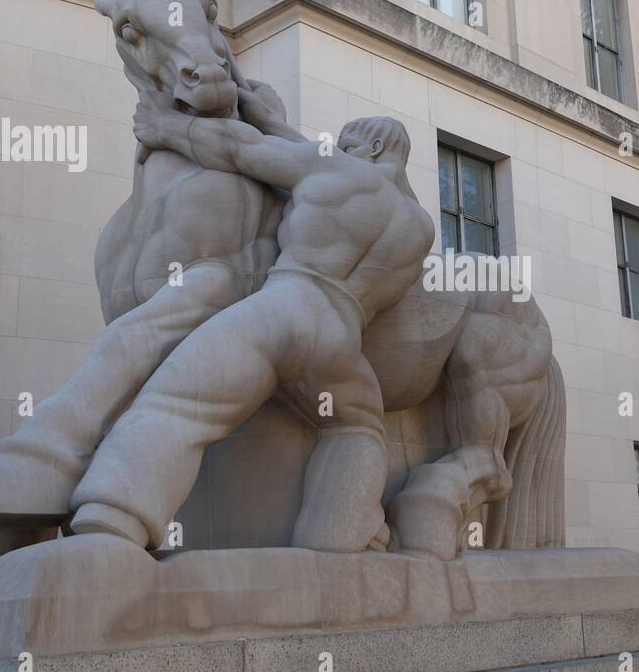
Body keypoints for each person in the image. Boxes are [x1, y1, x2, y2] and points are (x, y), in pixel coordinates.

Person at [66, 100, 435, 554]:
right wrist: (271, 116)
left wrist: (168, 126)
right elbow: (319, 158)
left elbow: (242, 151)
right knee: (358, 428)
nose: (336, 149)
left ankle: (113, 512)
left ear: (374, 146)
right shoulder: (419, 225)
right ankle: (339, 533)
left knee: (179, 401)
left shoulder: (335, 172)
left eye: (347, 144)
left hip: (283, 308)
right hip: (342, 338)